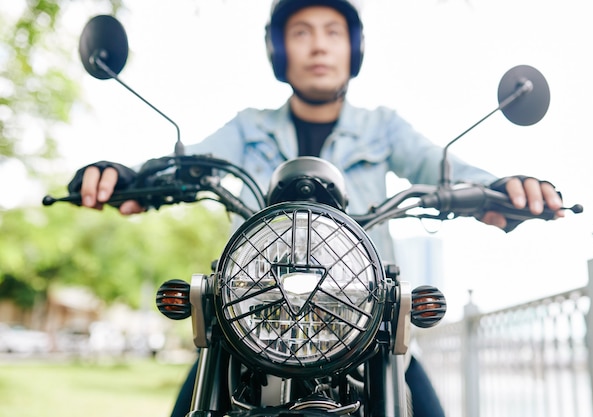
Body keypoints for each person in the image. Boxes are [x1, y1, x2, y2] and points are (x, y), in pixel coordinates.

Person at [68, 1, 564, 416]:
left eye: (333, 31)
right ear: (279, 49)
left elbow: (440, 166)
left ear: (355, 48)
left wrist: (501, 189)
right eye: (301, 32)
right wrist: (134, 178)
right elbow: (194, 164)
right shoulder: (248, 127)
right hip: (254, 315)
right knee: (196, 387)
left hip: (365, 318)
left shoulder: (383, 127)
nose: (319, 45)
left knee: (420, 393)